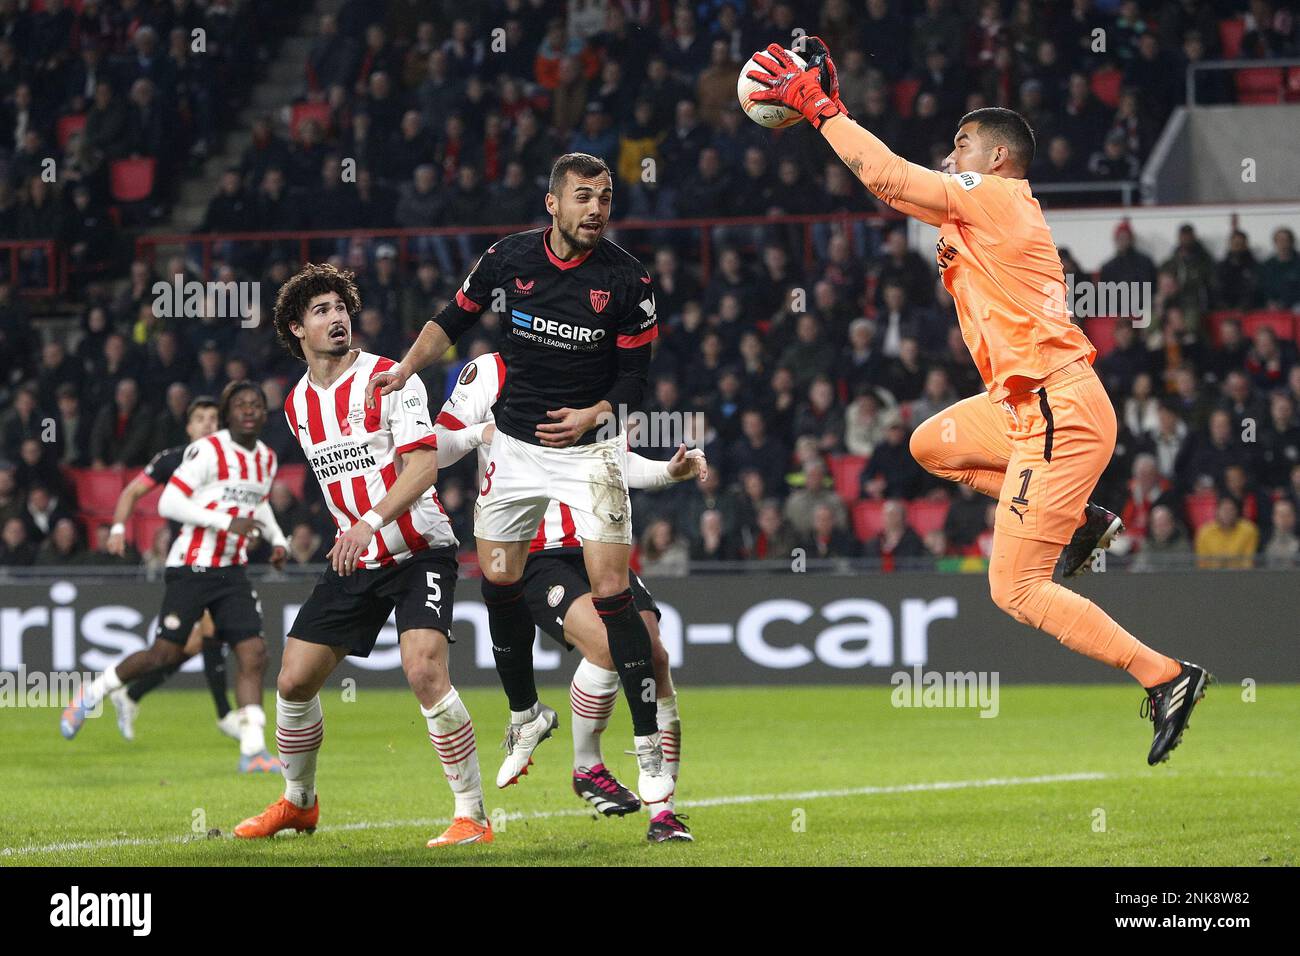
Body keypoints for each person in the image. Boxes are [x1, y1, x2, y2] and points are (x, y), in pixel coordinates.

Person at [746, 38, 1208, 765]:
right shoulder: (977, 211)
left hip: (1056, 407)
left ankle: (1167, 675)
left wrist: (821, 108)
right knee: (929, 444)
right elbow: (897, 177)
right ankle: (1080, 515)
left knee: (1016, 588)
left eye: (962, 143)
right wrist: (830, 115)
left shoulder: (994, 196)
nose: (950, 153)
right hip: (1034, 408)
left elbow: (891, 180)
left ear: (997, 158)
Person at [367, 153, 674, 807]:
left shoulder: (628, 280)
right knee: (499, 581)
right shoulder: (509, 260)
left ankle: (646, 749)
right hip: (513, 449)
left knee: (616, 595)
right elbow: (453, 319)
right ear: (554, 203)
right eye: (584, 196)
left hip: (590, 453)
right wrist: (404, 369)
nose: (597, 208)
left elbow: (634, 379)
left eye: (606, 197)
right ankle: (525, 714)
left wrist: (598, 411)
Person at [235, 263, 489, 849]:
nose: (337, 318)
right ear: (297, 328)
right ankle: (299, 804)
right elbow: (338, 477)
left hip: (419, 547)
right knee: (294, 682)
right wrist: (347, 530)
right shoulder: (298, 403)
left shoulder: (390, 378)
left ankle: (471, 813)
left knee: (424, 670)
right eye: (321, 311)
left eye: (341, 307)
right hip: (356, 556)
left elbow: (422, 467)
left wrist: (369, 521)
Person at [434, 350, 704, 842]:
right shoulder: (490, 371)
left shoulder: (594, 375)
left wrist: (669, 472)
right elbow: (437, 446)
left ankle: (663, 812)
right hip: (534, 552)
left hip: (595, 543)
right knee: (605, 645)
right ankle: (586, 765)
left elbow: (617, 464)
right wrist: (482, 434)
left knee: (656, 656)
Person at [61, 382, 288, 773]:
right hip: (191, 567)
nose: (249, 410)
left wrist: (278, 538)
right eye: (241, 405)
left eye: (256, 405)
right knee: (165, 654)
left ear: (264, 414)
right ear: (228, 413)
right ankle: (94, 692)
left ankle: (252, 750)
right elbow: (168, 501)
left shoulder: (266, 458)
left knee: (254, 654)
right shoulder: (207, 450)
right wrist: (225, 522)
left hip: (232, 571)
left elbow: (258, 503)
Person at [102, 396, 236, 742]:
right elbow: (132, 492)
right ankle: (225, 715)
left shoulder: (235, 460)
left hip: (224, 559)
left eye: (213, 418)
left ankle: (131, 695)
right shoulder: (172, 460)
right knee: (207, 632)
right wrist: (118, 529)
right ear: (188, 426)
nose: (208, 423)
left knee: (186, 648)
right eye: (200, 418)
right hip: (190, 562)